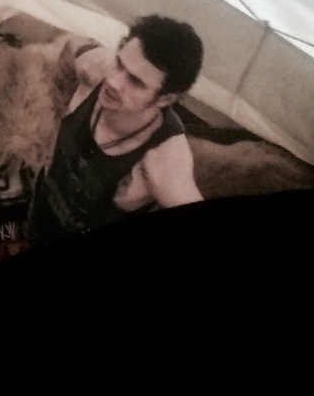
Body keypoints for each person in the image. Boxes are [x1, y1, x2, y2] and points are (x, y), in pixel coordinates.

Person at [22, 14, 206, 247]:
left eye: (136, 82)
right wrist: (60, 106)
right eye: (119, 63)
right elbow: (73, 46)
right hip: (41, 212)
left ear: (165, 99)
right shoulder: (95, 68)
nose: (114, 82)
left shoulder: (163, 161)